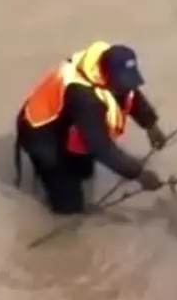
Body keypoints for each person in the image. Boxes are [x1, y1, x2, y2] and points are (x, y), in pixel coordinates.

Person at [15, 40, 167, 214]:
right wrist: (138, 174)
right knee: (70, 209)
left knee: (85, 173)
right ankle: (49, 182)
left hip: (69, 123)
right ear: (106, 74)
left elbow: (131, 94)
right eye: (121, 83)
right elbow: (100, 147)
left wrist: (150, 125)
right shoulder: (84, 96)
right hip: (42, 134)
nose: (125, 87)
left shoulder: (106, 66)